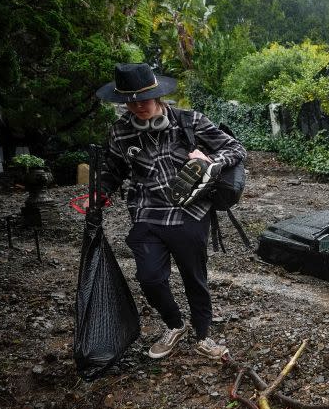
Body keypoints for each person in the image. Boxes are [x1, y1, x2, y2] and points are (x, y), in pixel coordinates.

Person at [93, 63, 247, 360]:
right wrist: (98, 194)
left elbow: (236, 149)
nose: (137, 106)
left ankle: (203, 335)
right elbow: (112, 170)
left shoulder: (189, 121)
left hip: (190, 213)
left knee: (194, 278)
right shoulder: (120, 132)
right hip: (146, 213)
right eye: (130, 100)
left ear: (157, 95)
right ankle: (175, 325)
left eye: (143, 99)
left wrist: (210, 161)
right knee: (149, 278)